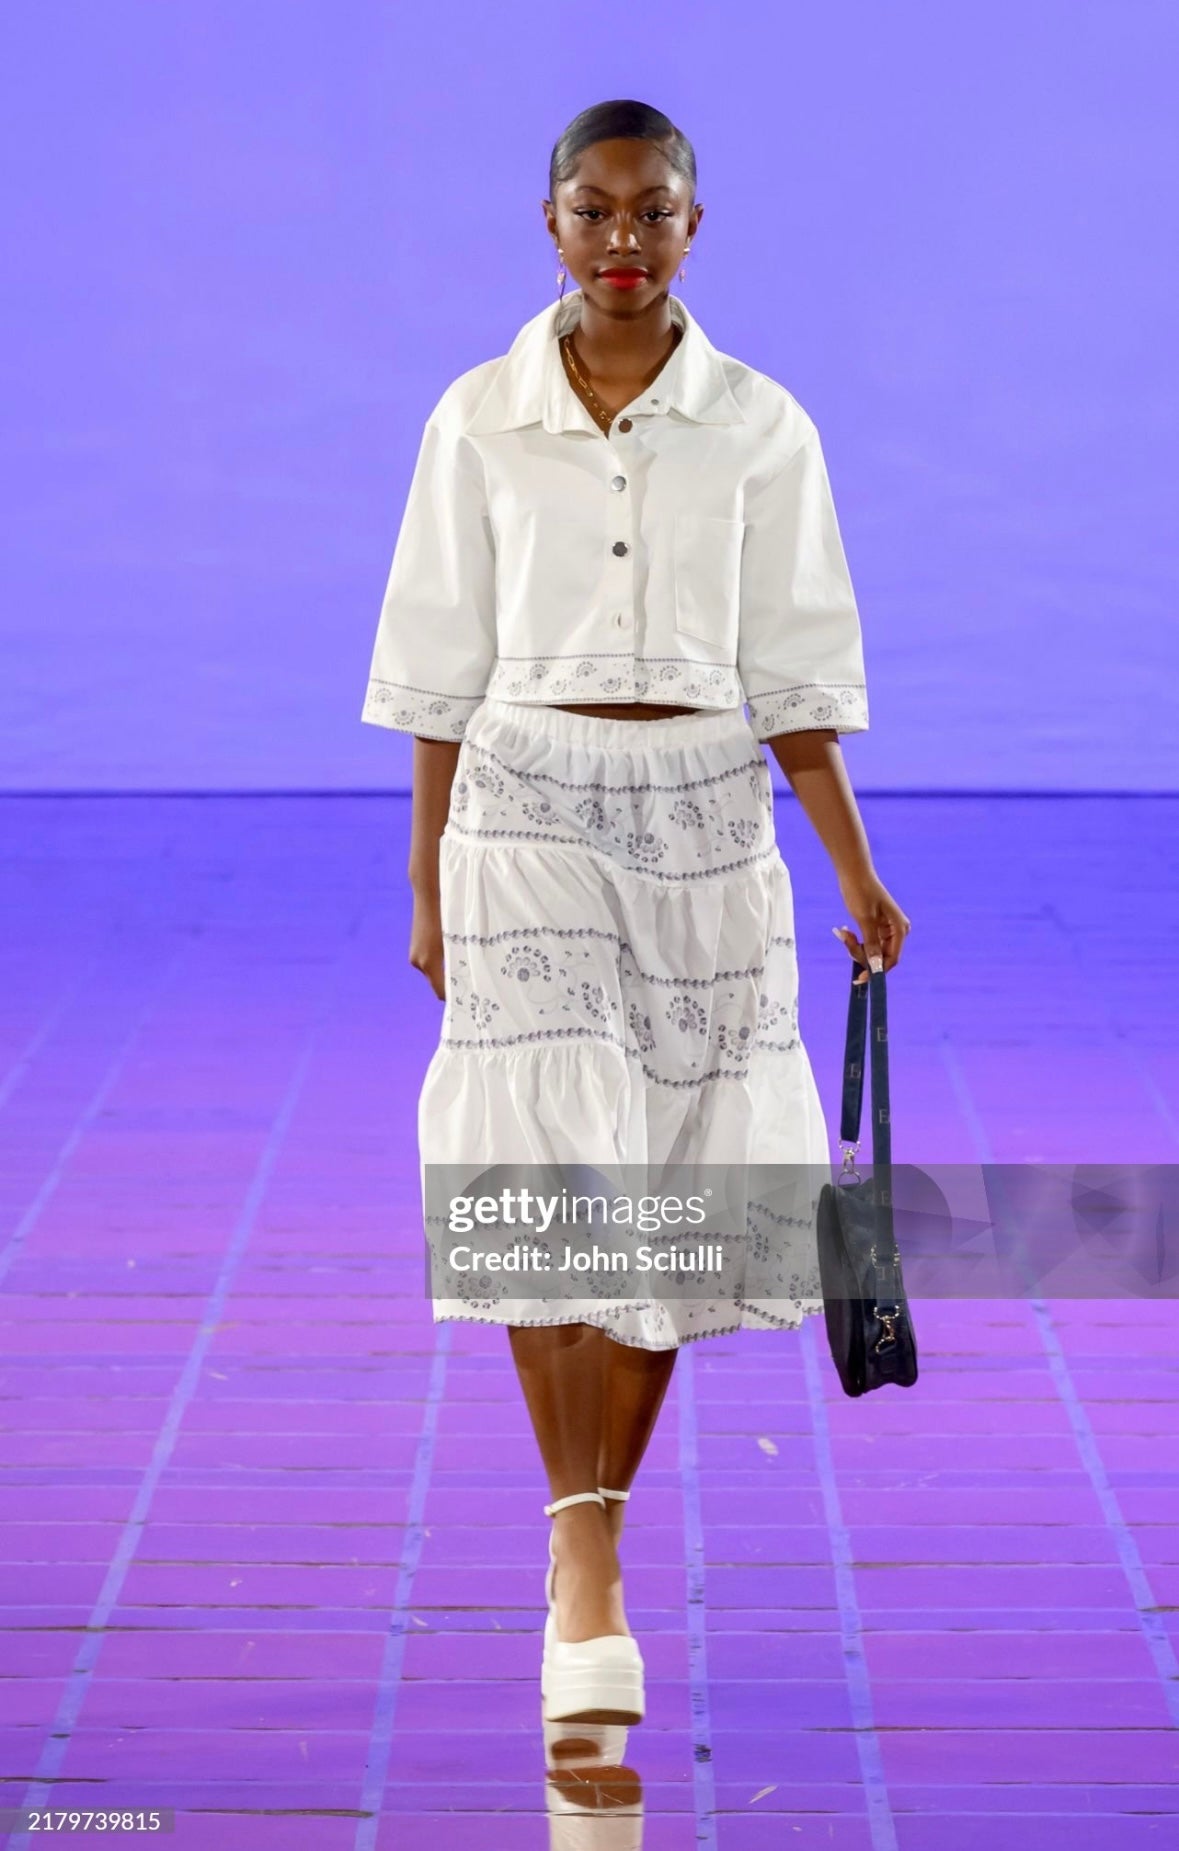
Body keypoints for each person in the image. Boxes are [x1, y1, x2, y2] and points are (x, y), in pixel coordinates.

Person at [361, 98, 910, 1726]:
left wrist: (854, 867)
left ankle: (597, 1513)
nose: (622, 238)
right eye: (593, 211)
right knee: (549, 1167)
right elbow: (437, 667)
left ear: (692, 226)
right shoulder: (478, 418)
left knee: (670, 1180)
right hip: (524, 805)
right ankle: (581, 1542)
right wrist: (425, 875)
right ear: (550, 225)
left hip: (702, 815)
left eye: (652, 210)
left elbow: (794, 670)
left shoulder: (761, 425)